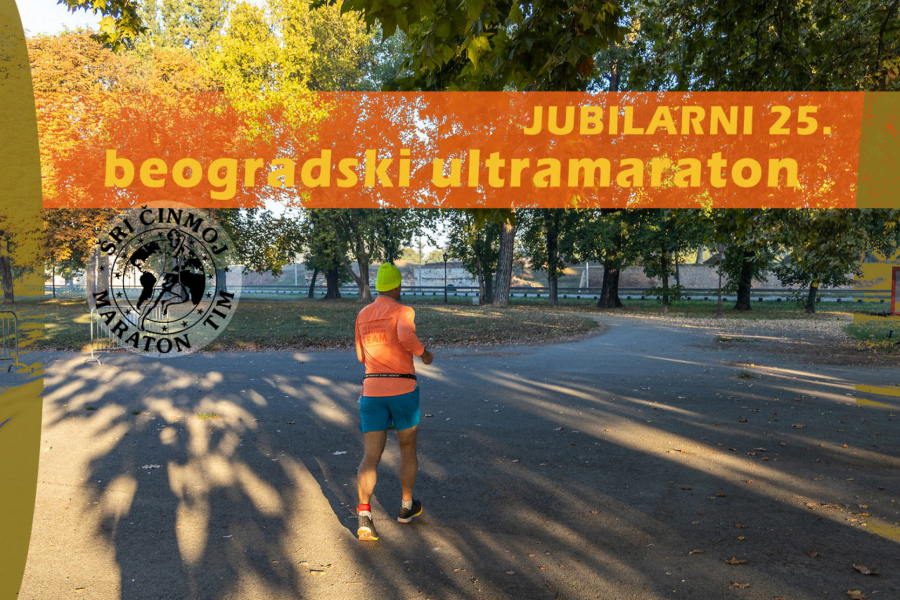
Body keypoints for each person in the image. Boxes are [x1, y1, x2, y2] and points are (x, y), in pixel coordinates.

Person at [354, 263, 434, 541]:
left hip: (372, 389)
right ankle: (406, 506)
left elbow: (361, 357)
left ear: (378, 286)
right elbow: (405, 335)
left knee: (370, 455)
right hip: (402, 388)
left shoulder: (363, 315)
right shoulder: (403, 311)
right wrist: (424, 354)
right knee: (407, 448)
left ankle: (364, 516)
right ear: (396, 286)